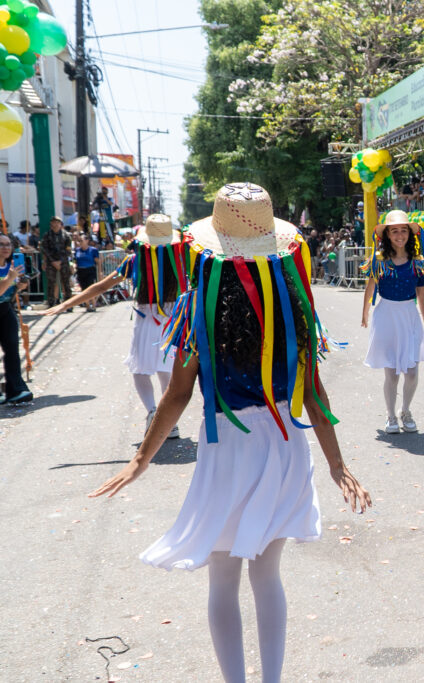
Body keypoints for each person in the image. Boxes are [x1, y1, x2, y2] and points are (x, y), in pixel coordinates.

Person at [88, 182, 372, 682]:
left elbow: (176, 395)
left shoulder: (196, 306)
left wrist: (140, 460)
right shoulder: (297, 309)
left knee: (223, 579)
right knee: (267, 575)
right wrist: (336, 463)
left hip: (228, 445)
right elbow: (314, 395)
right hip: (285, 445)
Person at [44, 215, 187, 438]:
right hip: (174, 319)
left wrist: (66, 304)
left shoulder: (135, 261)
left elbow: (101, 287)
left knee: (140, 369)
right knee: (166, 369)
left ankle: (152, 412)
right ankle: (169, 422)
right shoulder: (182, 260)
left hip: (147, 317)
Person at [361, 210, 424, 434]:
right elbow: (371, 286)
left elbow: (421, 294)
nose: (399, 235)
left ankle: (406, 411)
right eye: (394, 231)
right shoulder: (379, 260)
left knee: (412, 371)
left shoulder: (418, 262)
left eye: (403, 230)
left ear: (409, 234)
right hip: (386, 315)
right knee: (392, 374)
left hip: (409, 316)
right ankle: (390, 416)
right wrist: (365, 312)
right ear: (387, 234)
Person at [0, 233, 32, 404]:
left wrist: (19, 286)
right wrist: (10, 279)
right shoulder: (10, 273)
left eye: (8, 244)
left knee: (12, 349)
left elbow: (8, 294)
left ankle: (16, 389)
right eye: (1, 244)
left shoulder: (12, 267)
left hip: (5, 310)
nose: (5, 247)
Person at [40, 217, 72, 307]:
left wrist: (60, 261)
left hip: (63, 262)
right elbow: (44, 249)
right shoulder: (47, 235)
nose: (55, 225)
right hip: (51, 262)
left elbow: (68, 250)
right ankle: (51, 303)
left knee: (66, 282)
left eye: (57, 223)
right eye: (53, 223)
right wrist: (53, 261)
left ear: (60, 224)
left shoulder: (66, 235)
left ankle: (69, 303)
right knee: (51, 282)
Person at [72, 233, 100, 312]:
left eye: (82, 240)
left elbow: (98, 262)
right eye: (79, 241)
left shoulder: (93, 250)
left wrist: (100, 272)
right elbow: (75, 261)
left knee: (91, 288)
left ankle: (93, 305)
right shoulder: (77, 250)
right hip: (81, 271)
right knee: (83, 289)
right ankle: (87, 305)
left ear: (87, 241)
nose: (80, 242)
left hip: (90, 270)